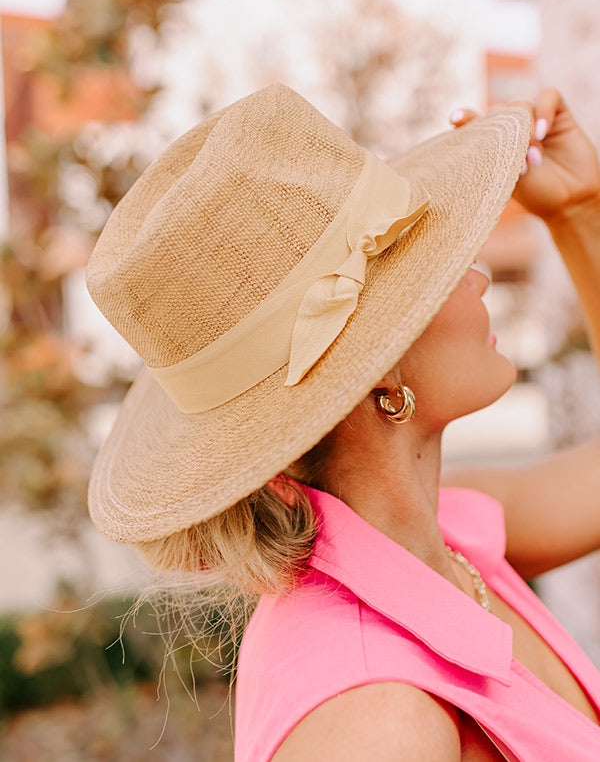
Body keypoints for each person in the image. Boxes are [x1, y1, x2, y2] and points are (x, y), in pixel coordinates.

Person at [85, 83, 600, 761]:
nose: (475, 276)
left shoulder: (444, 537)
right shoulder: (377, 719)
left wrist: (581, 215)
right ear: (380, 372)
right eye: (437, 266)